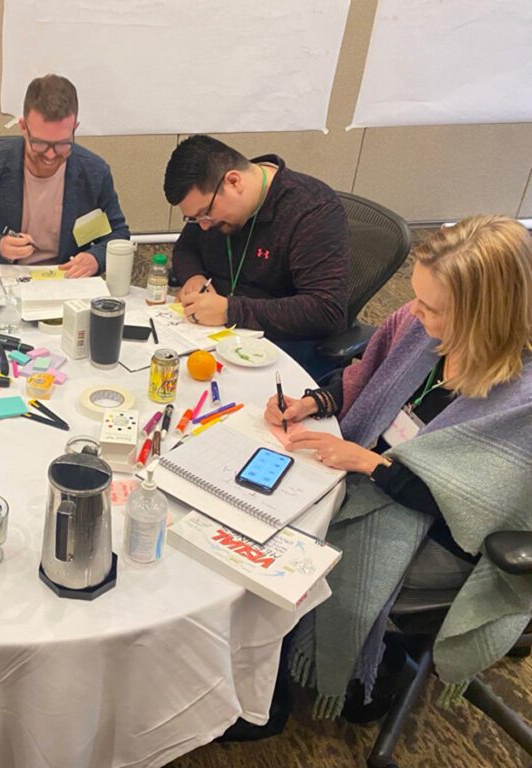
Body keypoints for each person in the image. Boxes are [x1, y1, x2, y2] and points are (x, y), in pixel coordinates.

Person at [266, 216, 532, 719]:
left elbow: (473, 514)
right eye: (416, 297)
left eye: (432, 308)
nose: (412, 313)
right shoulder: (416, 329)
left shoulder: (521, 402)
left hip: (446, 535)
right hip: (370, 478)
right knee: (267, 512)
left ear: (485, 317)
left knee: (299, 554)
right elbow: (366, 376)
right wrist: (314, 401)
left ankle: (330, 681)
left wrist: (372, 465)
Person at [164, 134, 349, 377]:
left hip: (280, 350)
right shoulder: (213, 209)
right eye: (193, 218)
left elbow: (326, 310)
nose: (204, 226)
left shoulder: (313, 211)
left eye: (205, 213)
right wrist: (193, 276)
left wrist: (231, 310)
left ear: (233, 182)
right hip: (213, 338)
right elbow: (187, 248)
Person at [0, 73, 130, 277]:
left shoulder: (94, 172)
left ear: (74, 128)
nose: (51, 155)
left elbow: (119, 235)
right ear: (23, 127)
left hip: (67, 282)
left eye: (62, 144)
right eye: (40, 144)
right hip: (5, 284)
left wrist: (95, 258)